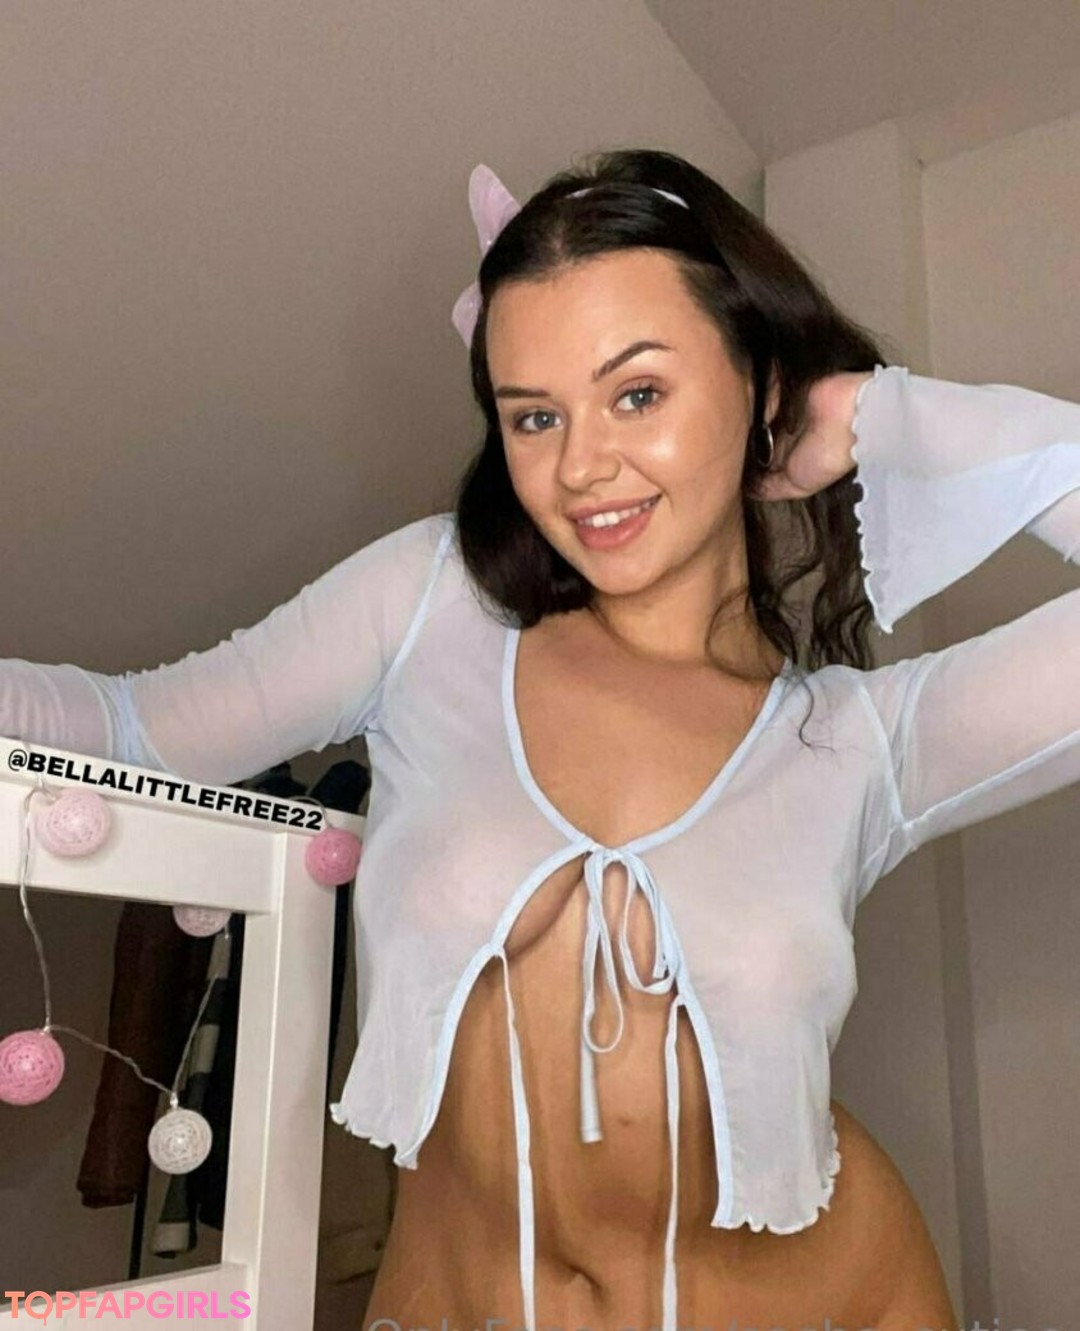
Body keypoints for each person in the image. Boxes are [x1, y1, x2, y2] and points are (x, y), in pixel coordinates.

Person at [3, 147, 1078, 1330]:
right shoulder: (428, 609)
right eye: (534, 414)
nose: (580, 466)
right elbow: (130, 727)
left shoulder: (867, 742)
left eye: (639, 393)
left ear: (761, 387)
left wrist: (876, 413)